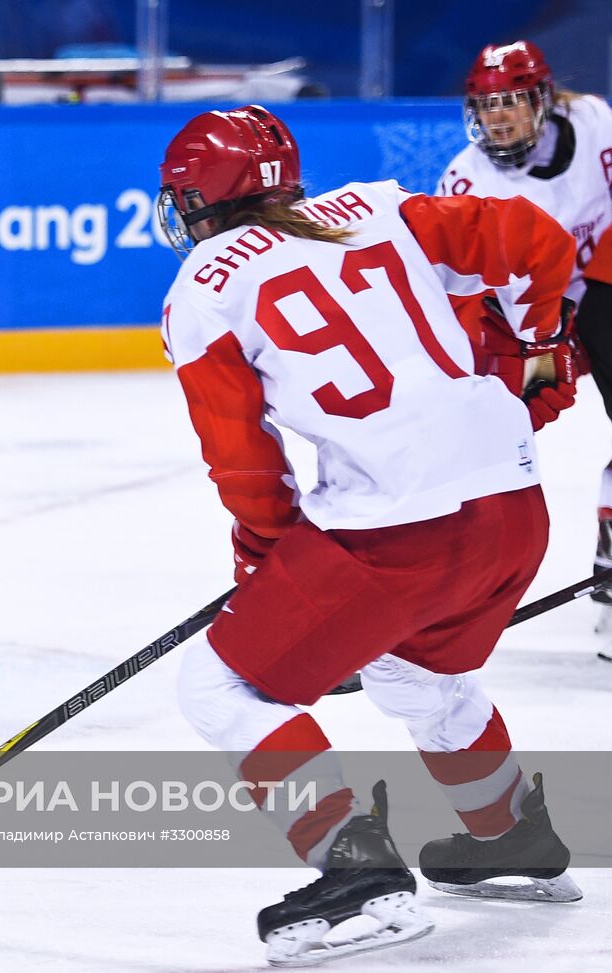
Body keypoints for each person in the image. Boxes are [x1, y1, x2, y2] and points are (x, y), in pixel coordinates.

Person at [158, 105, 582, 967]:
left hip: (394, 534)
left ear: (200, 200)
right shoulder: (375, 207)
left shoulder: (204, 286)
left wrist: (271, 562)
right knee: (420, 669)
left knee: (220, 689)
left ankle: (357, 874)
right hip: (512, 504)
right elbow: (534, 237)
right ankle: (508, 835)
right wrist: (539, 344)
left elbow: (245, 466)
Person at [436, 40, 612, 654]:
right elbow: (452, 294)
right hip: (520, 328)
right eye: (487, 105)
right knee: (482, 447)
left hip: (599, 296)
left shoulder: (594, 125)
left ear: (542, 100)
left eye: (512, 101)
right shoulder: (464, 180)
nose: (499, 117)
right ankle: (425, 574)